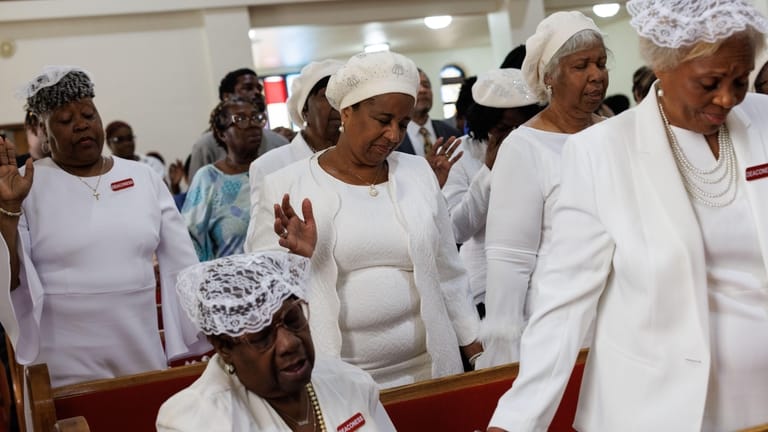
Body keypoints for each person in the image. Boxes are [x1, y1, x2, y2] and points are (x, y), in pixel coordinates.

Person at [487, 1, 768, 430]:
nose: (727, 98)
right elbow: (562, 301)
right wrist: (514, 421)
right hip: (655, 408)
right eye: (709, 82)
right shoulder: (601, 152)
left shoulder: (763, 123)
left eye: (740, 81)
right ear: (662, 66)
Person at [245, 51, 482, 389]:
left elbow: (449, 271)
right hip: (342, 381)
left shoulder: (417, 174)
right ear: (347, 111)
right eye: (382, 119)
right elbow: (264, 297)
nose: (392, 135)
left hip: (429, 368)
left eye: (402, 123)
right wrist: (297, 259)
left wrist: (476, 351)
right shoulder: (287, 186)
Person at [0, 66, 209, 388]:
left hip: (138, 341)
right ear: (42, 130)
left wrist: (200, 329)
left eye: (89, 115)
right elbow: (10, 281)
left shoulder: (143, 177)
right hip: (62, 352)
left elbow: (182, 264)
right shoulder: (28, 185)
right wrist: (8, 210)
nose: (82, 125)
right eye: (66, 121)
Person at [478, 11, 608, 369]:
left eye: (601, 63)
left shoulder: (613, 132)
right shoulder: (524, 147)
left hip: (620, 317)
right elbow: (509, 260)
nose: (597, 75)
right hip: (561, 325)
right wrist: (505, 352)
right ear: (549, 76)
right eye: (581, 65)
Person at [156, 251, 396, 431]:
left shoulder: (351, 383)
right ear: (224, 347)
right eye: (262, 335)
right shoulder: (192, 423)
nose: (289, 343)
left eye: (293, 320)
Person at [442, 68, 540, 316]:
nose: (514, 135)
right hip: (486, 285)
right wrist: (488, 171)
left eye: (521, 126)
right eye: (505, 128)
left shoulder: (535, 147)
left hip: (539, 279)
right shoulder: (460, 154)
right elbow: (457, 228)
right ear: (485, 122)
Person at [246, 59, 344, 238]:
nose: (338, 105)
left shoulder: (362, 161)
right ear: (304, 109)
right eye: (327, 96)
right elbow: (259, 242)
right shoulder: (270, 166)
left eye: (343, 97)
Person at [182, 97, 265, 261]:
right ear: (222, 134)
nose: (252, 125)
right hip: (229, 282)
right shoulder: (209, 178)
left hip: (278, 280)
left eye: (256, 117)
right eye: (240, 119)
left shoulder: (273, 169)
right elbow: (189, 238)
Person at [187, 68, 288, 183]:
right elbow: (196, 192)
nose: (256, 93)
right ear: (226, 97)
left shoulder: (279, 142)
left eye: (259, 89)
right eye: (248, 88)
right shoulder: (205, 145)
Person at [397, 68, 460, 156]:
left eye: (426, 85)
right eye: (416, 86)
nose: (423, 90)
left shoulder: (451, 133)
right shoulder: (393, 138)